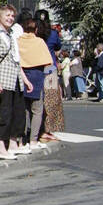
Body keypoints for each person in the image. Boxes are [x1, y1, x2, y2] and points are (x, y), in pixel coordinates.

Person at [0, 5, 31, 161]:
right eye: (7, 15)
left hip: (15, 77)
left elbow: (16, 59)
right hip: (3, 78)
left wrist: (25, 80)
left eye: (12, 15)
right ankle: (1, 147)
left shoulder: (10, 33)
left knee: (17, 112)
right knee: (4, 113)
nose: (10, 18)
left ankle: (13, 143)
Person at [17, 14, 54, 151]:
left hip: (22, 75)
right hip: (37, 75)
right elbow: (48, 61)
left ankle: (22, 139)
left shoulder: (18, 41)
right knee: (37, 110)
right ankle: (33, 139)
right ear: (36, 30)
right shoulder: (39, 42)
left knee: (24, 110)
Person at [34, 12, 64, 140]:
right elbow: (58, 47)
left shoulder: (34, 34)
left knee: (37, 101)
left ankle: (37, 129)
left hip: (36, 67)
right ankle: (48, 130)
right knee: (51, 100)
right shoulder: (53, 34)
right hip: (50, 68)